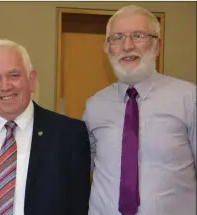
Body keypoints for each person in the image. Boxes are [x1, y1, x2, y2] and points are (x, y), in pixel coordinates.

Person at [0, 39, 91, 215]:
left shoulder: (69, 134)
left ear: (32, 80)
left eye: (14, 75)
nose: (5, 86)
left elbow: (79, 206)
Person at [84, 5, 196, 215]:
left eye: (139, 35)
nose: (128, 46)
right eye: (117, 37)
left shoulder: (189, 99)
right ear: (107, 48)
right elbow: (79, 174)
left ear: (157, 46)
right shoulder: (94, 106)